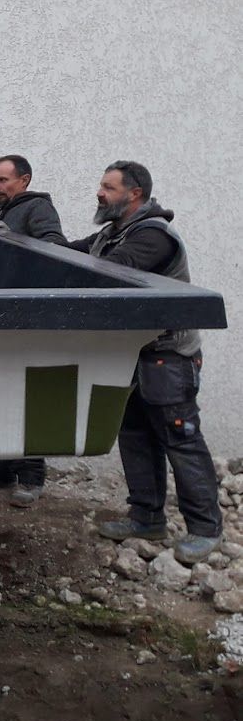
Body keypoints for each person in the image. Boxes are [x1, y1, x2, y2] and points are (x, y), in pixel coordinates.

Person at [74, 161, 221, 564]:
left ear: (133, 193)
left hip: (168, 357)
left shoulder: (154, 236)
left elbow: (115, 271)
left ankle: (206, 529)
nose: (99, 193)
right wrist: (29, 242)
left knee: (181, 439)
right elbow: (72, 253)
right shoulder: (112, 232)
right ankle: (146, 519)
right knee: (134, 433)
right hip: (132, 355)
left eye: (107, 187)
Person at [0, 155, 66, 506]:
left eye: (3, 181)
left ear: (24, 180)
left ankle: (31, 475)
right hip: (7, 320)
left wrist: (12, 246)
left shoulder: (37, 208)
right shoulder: (10, 212)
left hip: (27, 320)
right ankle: (0, 468)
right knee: (0, 392)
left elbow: (54, 247)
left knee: (27, 398)